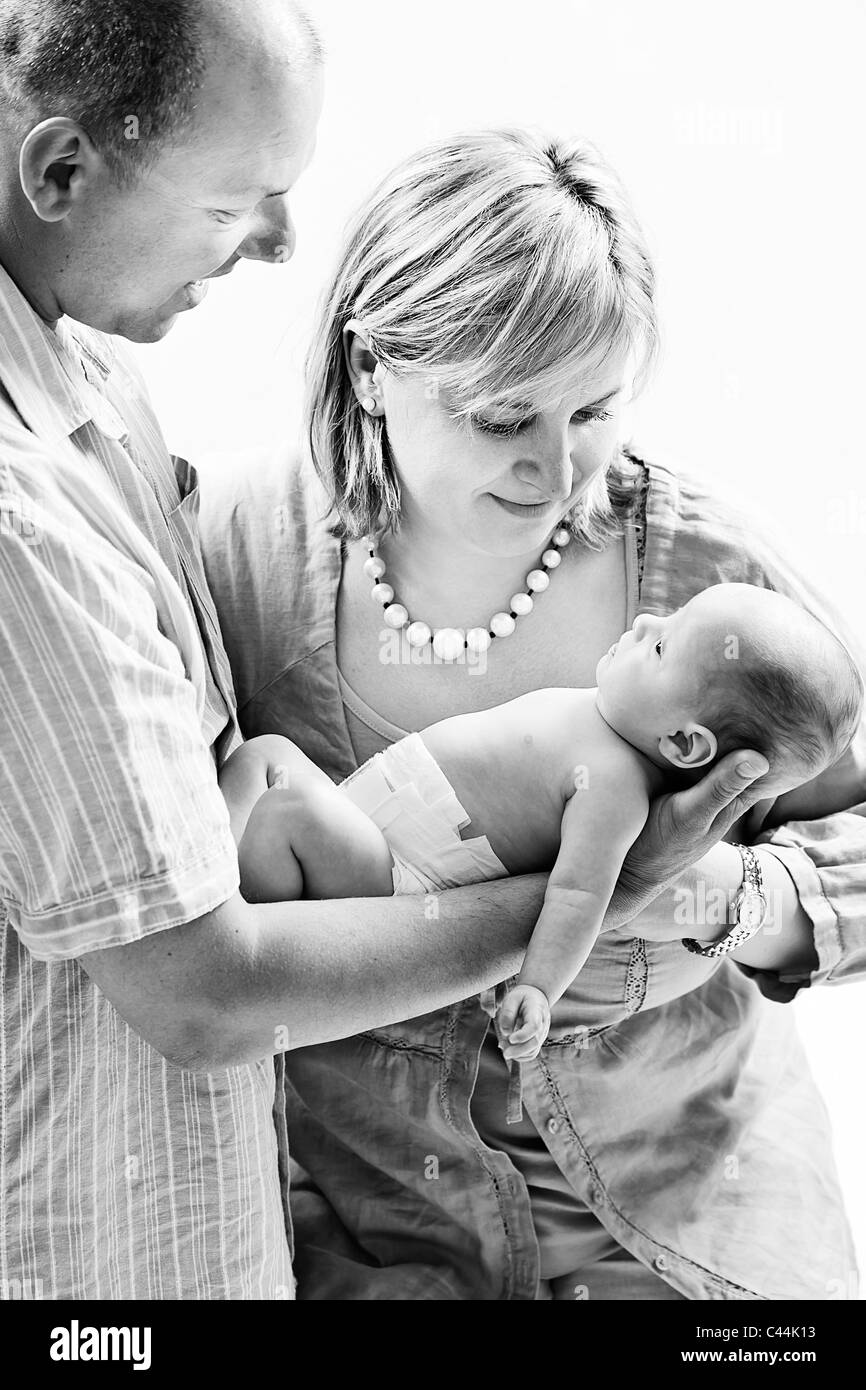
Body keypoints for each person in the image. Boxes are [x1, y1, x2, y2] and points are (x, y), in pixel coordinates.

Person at [200, 128, 866, 1300]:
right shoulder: (244, 551)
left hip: (687, 1212)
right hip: (375, 1228)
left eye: (593, 411)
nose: (556, 471)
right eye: (502, 416)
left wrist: (716, 900)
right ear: (370, 370)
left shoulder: (707, 578)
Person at [1, 2, 558, 1303]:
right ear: (61, 170)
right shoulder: (20, 522)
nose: (279, 242)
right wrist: (568, 911)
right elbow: (198, 993)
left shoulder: (91, 370)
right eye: (235, 202)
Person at [219, 582, 863, 1066]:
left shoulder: (615, 791)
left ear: (686, 745)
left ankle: (253, 941)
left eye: (662, 644)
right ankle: (216, 874)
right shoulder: (605, 717)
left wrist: (539, 987)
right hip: (378, 819)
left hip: (393, 878)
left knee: (286, 812)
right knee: (266, 757)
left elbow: (582, 896)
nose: (643, 622)